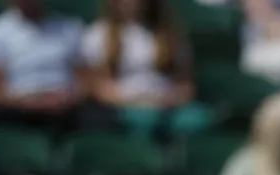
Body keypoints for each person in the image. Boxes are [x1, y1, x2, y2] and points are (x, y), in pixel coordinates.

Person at [80, 0, 207, 137]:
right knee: (144, 120)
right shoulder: (98, 34)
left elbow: (186, 84)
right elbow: (98, 87)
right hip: (125, 105)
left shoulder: (170, 34)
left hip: (167, 103)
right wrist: (138, 101)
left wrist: (169, 99)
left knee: (195, 119)